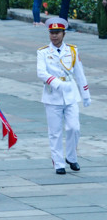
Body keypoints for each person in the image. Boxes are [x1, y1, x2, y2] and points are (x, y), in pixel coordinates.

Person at [37, 17, 91, 174]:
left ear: (63, 34)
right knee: (55, 132)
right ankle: (59, 163)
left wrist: (85, 94)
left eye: (57, 33)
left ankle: (72, 157)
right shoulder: (43, 52)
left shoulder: (72, 50)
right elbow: (41, 72)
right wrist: (56, 83)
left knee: (74, 128)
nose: (54, 36)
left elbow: (80, 74)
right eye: (52, 33)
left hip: (70, 93)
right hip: (52, 94)